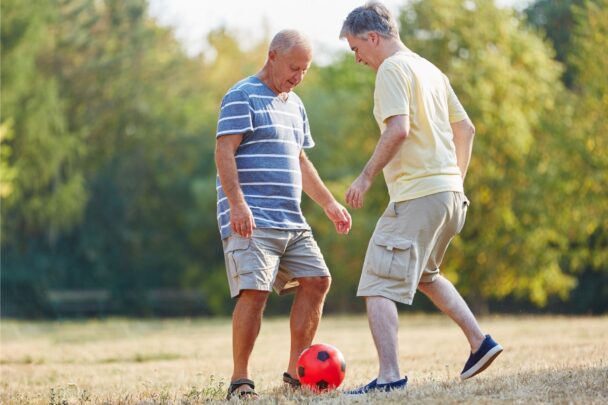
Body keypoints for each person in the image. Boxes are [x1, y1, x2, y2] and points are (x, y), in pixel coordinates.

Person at [339, 2, 503, 394]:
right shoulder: (430, 69)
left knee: (377, 282)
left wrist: (365, 177)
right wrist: (454, 182)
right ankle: (480, 343)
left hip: (418, 195)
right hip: (447, 196)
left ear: (373, 38)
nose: (357, 58)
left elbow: (398, 129)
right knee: (426, 275)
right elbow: (466, 130)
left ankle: (390, 377)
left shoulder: (392, 69)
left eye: (355, 48)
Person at [215, 29, 352, 399]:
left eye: (305, 70)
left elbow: (300, 159)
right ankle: (239, 380)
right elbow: (224, 151)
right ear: (273, 56)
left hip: (291, 219)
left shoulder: (295, 104)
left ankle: (295, 376)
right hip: (252, 216)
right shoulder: (241, 95)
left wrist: (328, 203)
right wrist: (237, 203)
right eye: (294, 67)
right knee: (255, 292)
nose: (299, 76)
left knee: (318, 280)